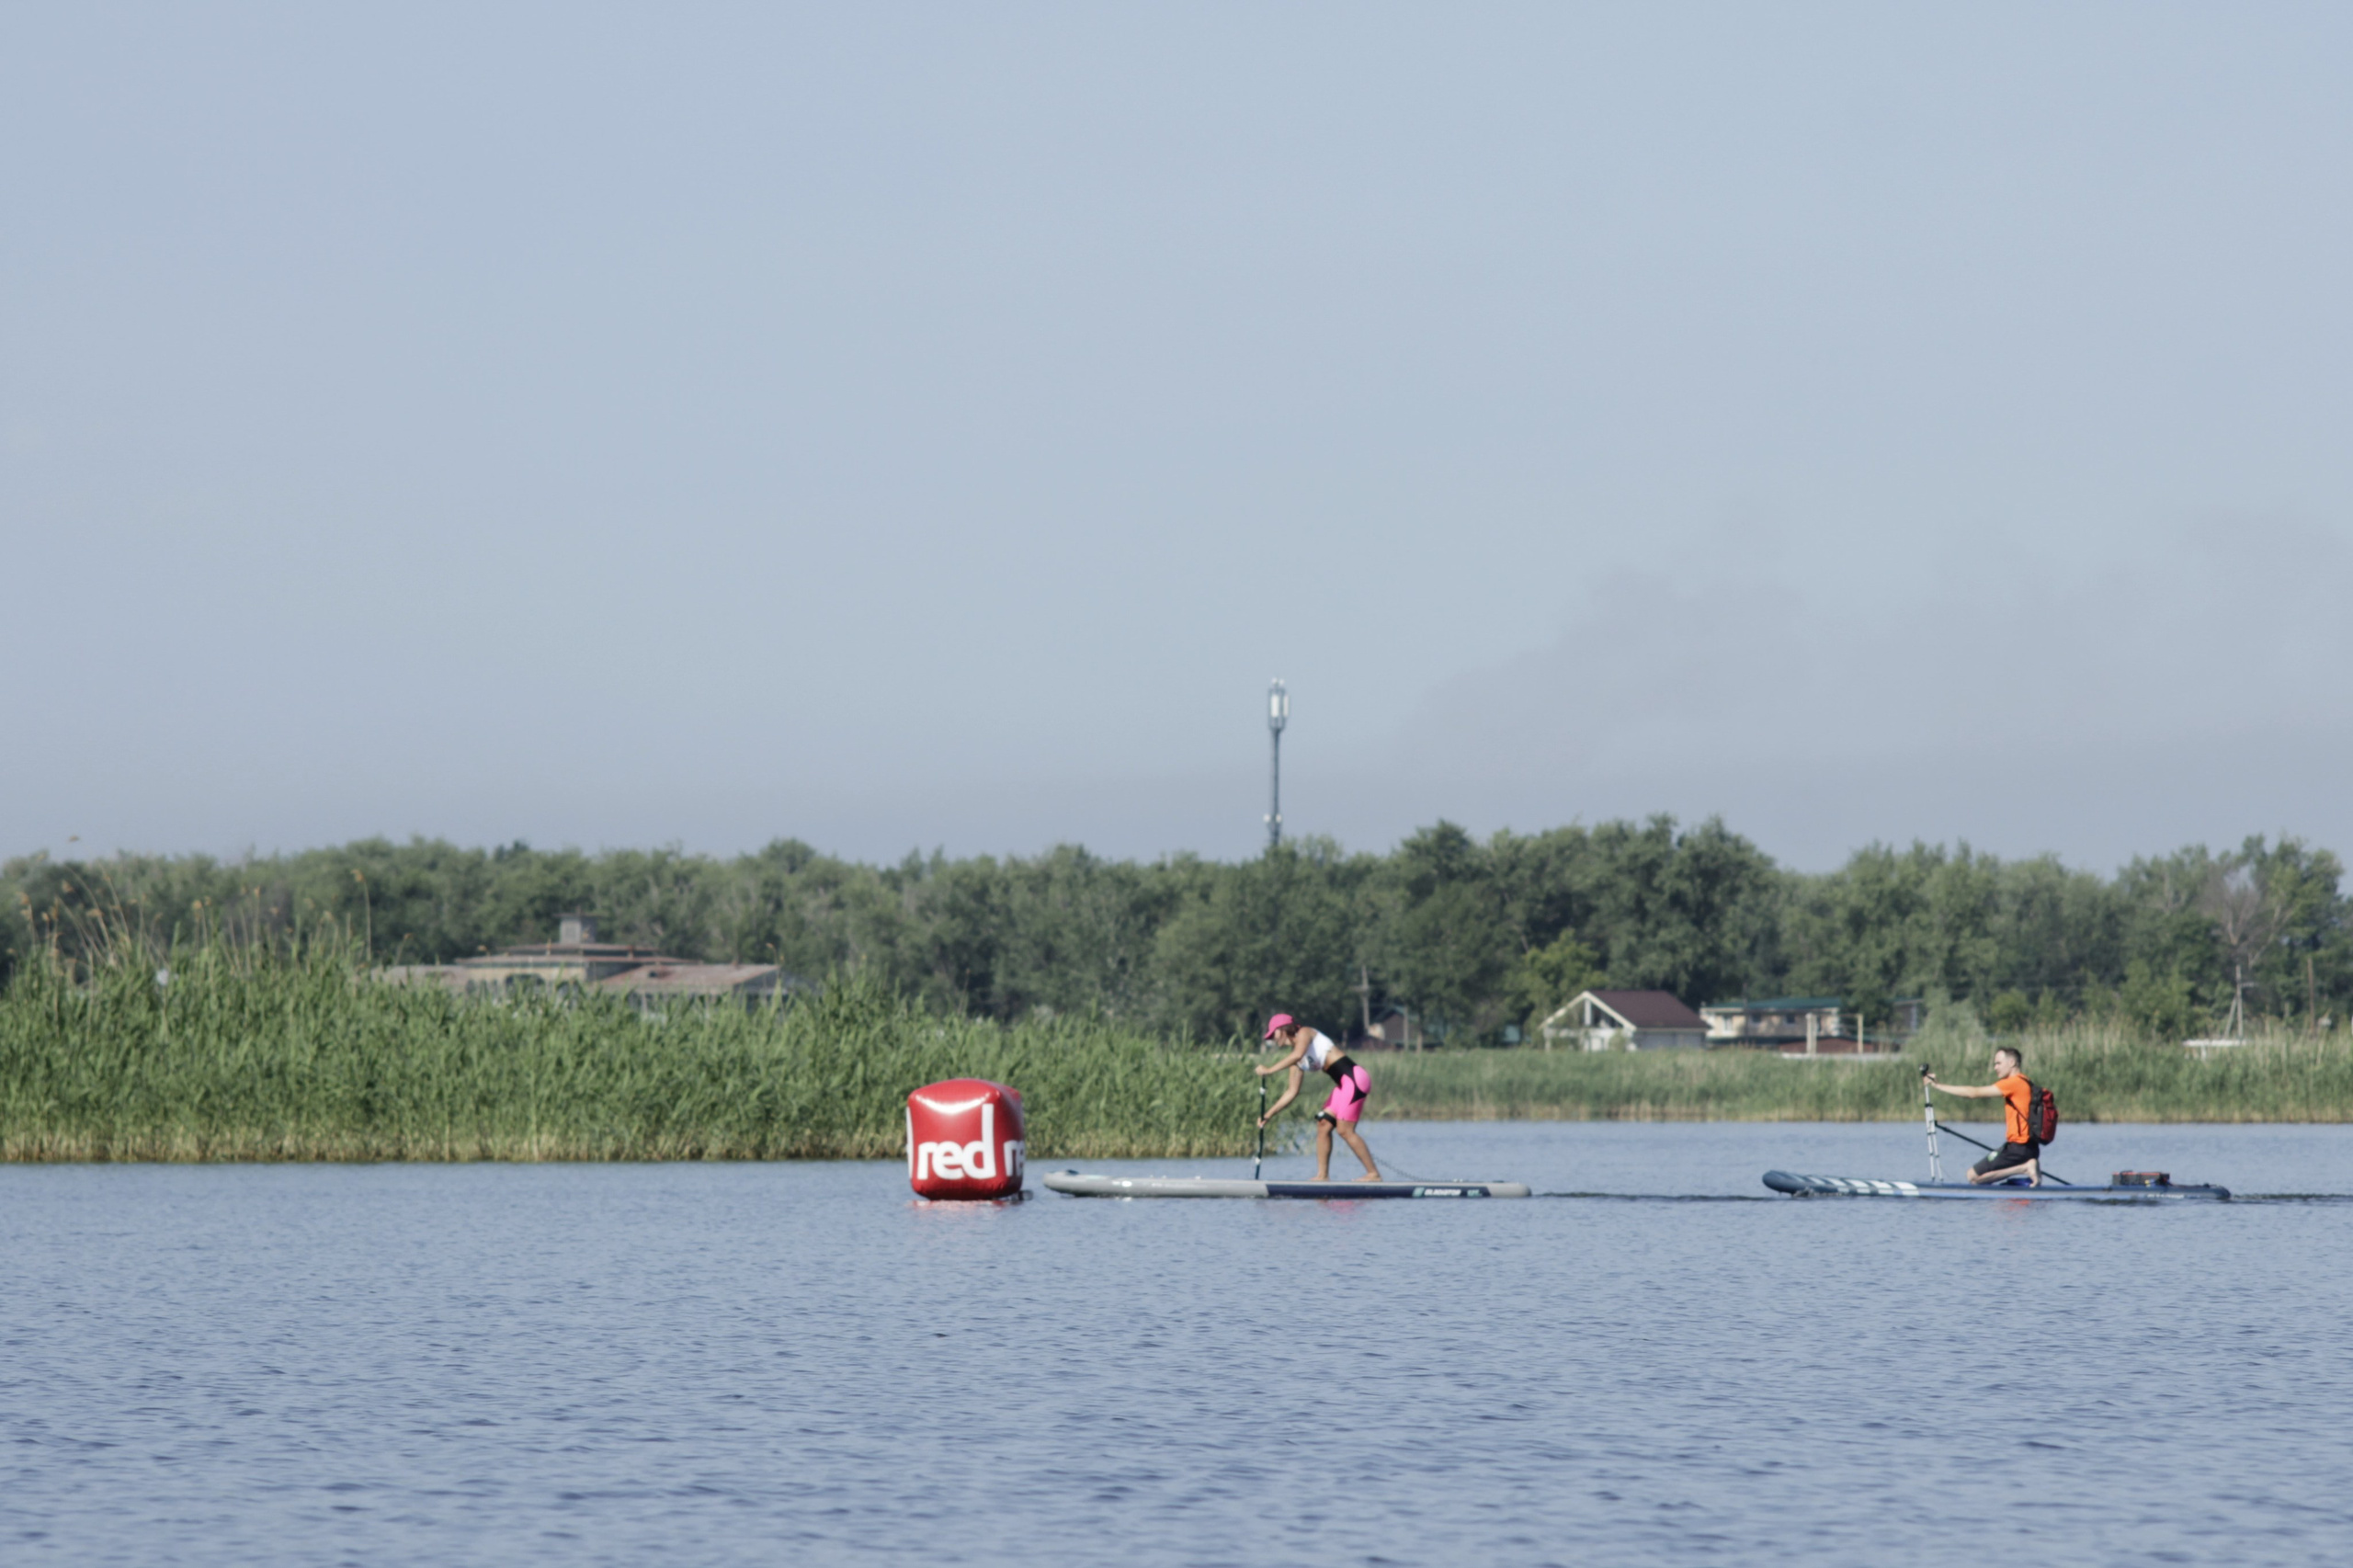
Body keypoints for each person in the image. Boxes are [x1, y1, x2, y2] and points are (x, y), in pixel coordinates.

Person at [1255, 1013, 1382, 1181]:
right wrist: (1268, 1115)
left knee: (1345, 1130)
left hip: (1354, 1078)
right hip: (1343, 1085)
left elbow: (1298, 1055)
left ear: (1283, 1029)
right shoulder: (1296, 1059)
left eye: (1273, 1034)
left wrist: (1269, 1070)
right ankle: (1322, 1176)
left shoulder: (1305, 1032)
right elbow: (1291, 1092)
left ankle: (1373, 1174)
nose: (1272, 1038)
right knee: (1323, 1124)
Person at [1925, 1046, 2041, 1186]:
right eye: (1994, 1064)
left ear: (2012, 1063)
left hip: (2018, 1148)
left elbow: (1973, 1093)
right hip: (2030, 1147)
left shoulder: (2013, 1083)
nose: (1995, 1067)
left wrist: (1938, 1086)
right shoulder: (2026, 1081)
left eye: (1998, 1063)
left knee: (1972, 1177)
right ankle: (2027, 1172)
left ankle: (2025, 1168)